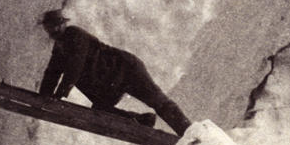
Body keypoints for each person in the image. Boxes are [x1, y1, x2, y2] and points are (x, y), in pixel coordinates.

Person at [36, 10, 191, 135]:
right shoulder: (59, 48)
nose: (52, 31)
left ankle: (188, 131)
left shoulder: (75, 35)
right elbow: (52, 73)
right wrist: (43, 96)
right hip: (112, 82)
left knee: (158, 101)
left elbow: (75, 66)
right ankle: (142, 120)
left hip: (128, 70)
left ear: (63, 24)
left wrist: (59, 94)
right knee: (100, 111)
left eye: (55, 26)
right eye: (48, 28)